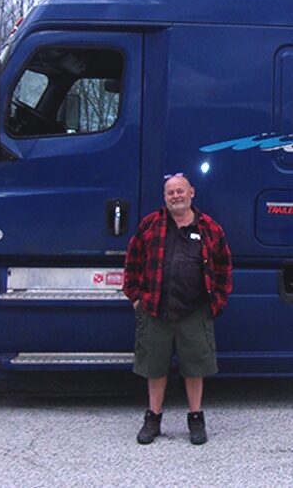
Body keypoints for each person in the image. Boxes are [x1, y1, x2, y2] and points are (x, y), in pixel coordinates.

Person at [123, 173, 232, 445]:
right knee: (154, 367)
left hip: (194, 312)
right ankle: (153, 419)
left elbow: (223, 269)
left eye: (180, 191)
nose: (176, 196)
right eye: (170, 192)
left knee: (195, 369)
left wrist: (215, 303)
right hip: (154, 310)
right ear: (165, 197)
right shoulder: (150, 225)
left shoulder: (211, 229)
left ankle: (196, 419)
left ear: (191, 192)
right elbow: (132, 262)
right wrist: (136, 298)